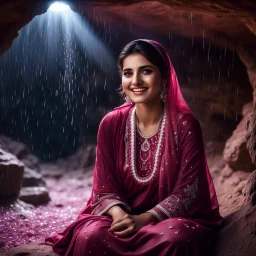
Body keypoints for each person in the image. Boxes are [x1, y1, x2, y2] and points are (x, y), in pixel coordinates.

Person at [45, 39, 223, 256]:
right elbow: (104, 188)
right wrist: (120, 216)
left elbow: (188, 192)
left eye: (146, 71)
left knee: (176, 239)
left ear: (164, 76)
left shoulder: (185, 125)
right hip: (121, 219)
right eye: (128, 73)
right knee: (89, 236)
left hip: (167, 222)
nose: (136, 81)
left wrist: (143, 219)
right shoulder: (111, 123)